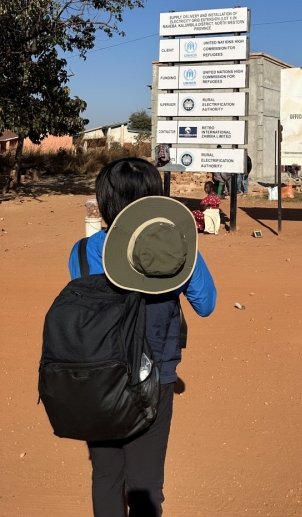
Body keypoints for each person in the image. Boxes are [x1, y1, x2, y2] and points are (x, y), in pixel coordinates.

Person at [68, 158, 217, 517]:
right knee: (146, 484)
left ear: (105, 200)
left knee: (106, 476)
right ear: (153, 199)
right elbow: (206, 304)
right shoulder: (179, 251)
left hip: (99, 379)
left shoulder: (82, 252)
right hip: (156, 378)